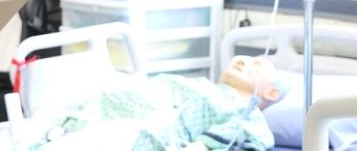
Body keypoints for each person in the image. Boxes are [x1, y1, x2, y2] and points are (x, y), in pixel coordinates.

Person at [30, 55, 282, 150]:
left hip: (134, 135)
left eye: (256, 64)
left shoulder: (248, 118)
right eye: (245, 58)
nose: (244, 61)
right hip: (93, 113)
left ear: (271, 93)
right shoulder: (199, 86)